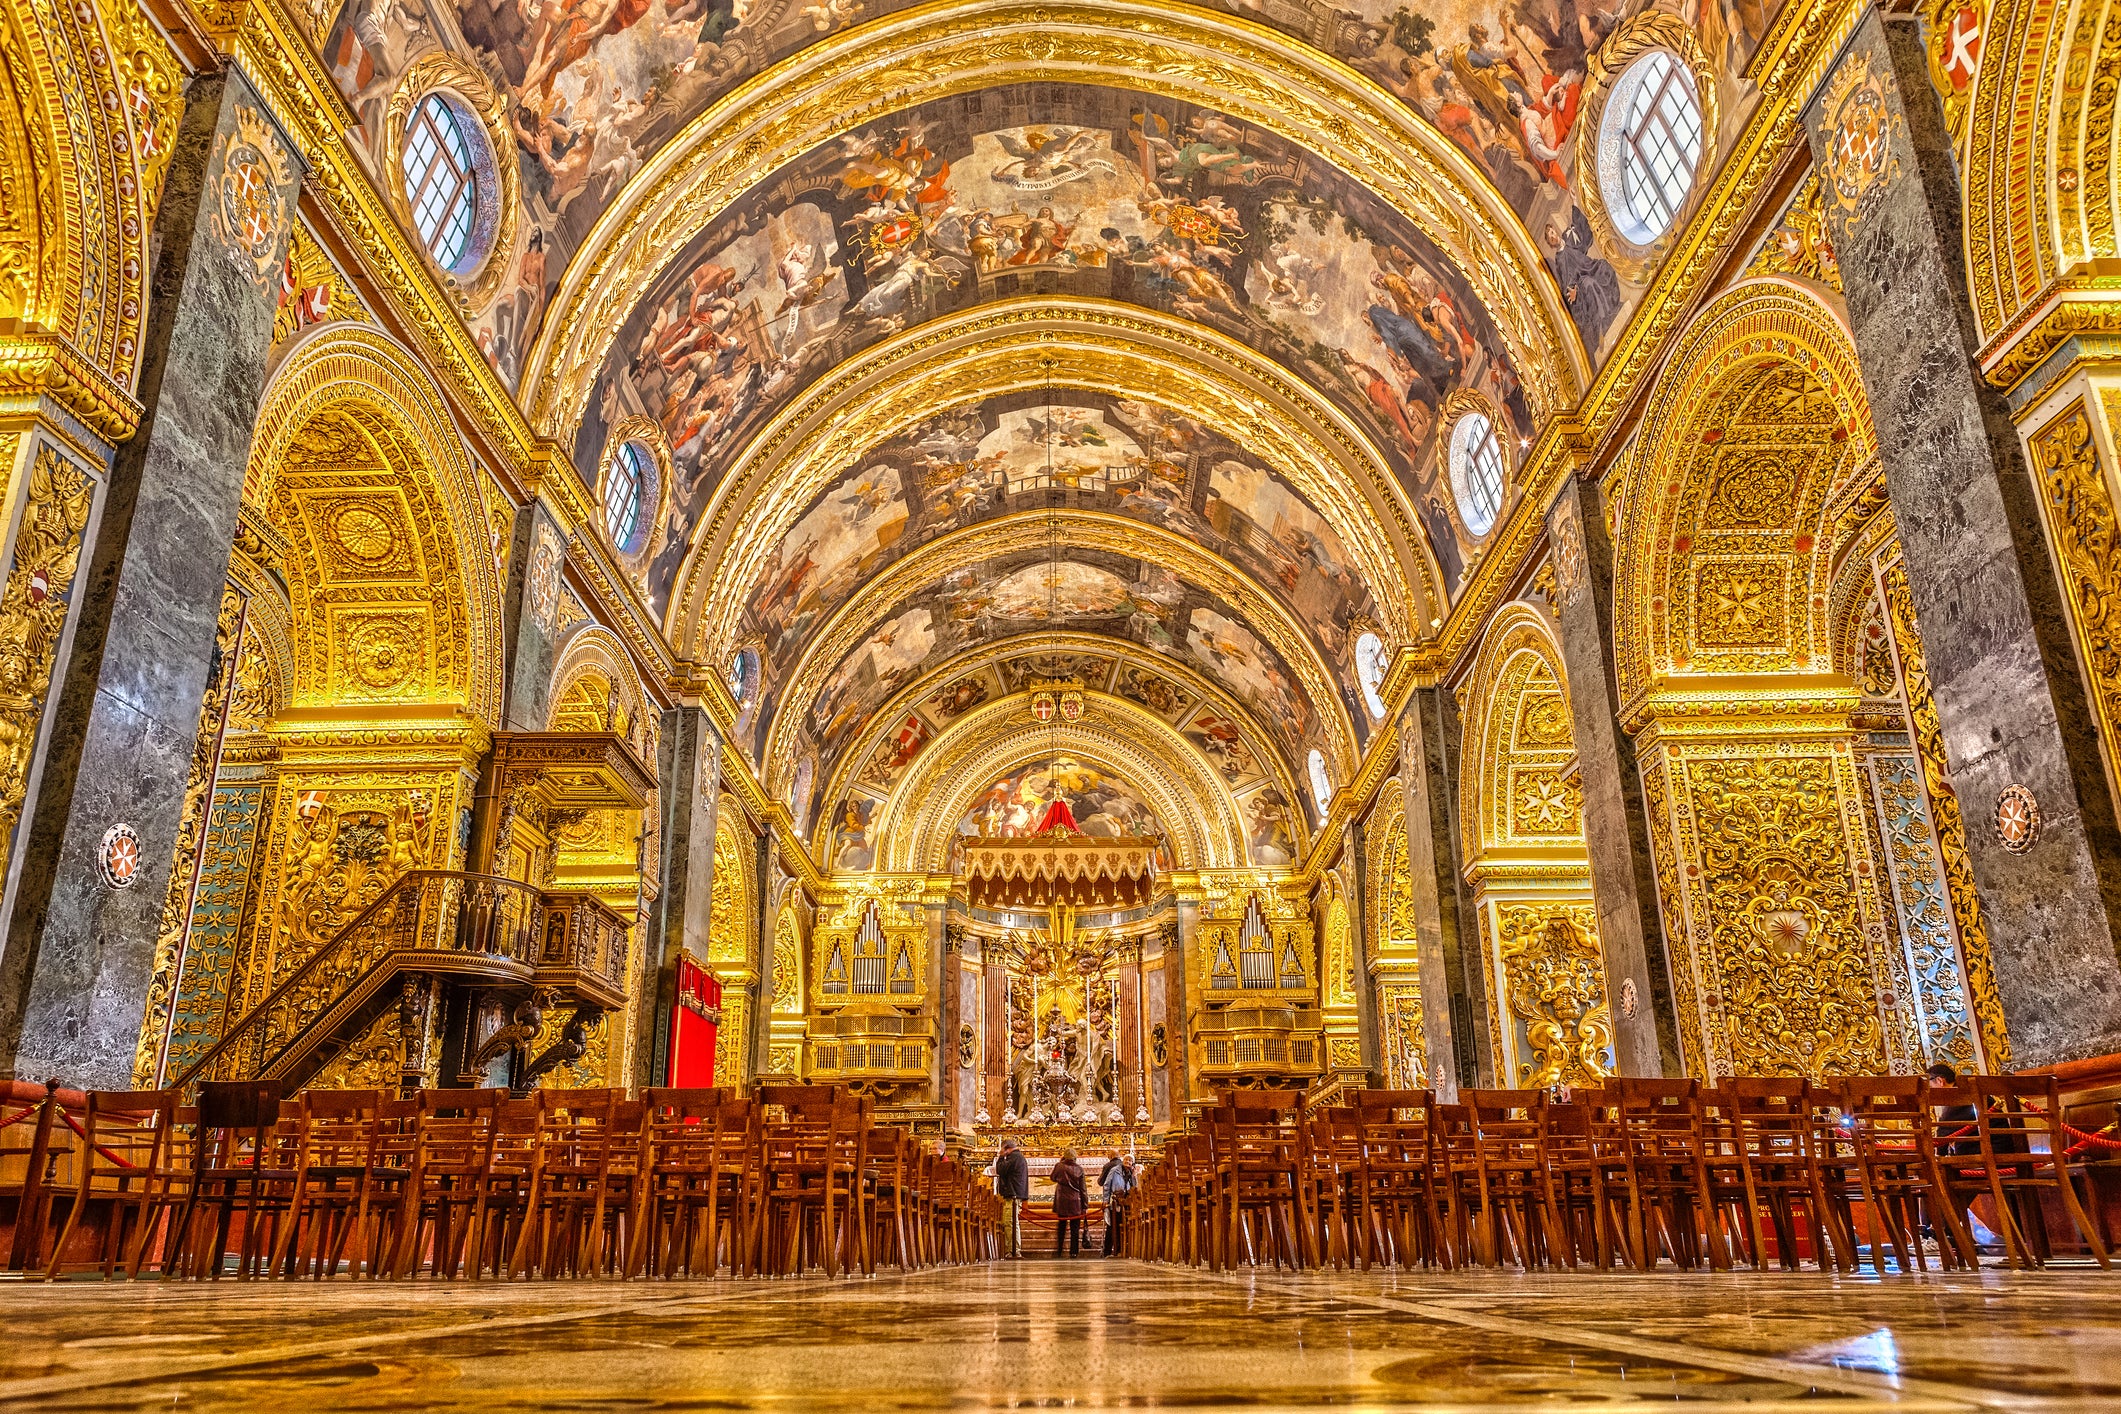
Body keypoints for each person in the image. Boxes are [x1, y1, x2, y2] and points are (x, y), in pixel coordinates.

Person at [994, 1138, 1029, 1259]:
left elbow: (1000, 1170)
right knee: (1011, 1222)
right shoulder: (1017, 1157)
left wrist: (1000, 1157)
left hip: (1013, 1195)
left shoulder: (1014, 1157)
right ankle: (1013, 1249)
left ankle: (1013, 1250)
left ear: (1006, 1148)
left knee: (1010, 1223)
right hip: (1014, 1193)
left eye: (1003, 1149)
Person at [1051, 1147, 1088, 1257]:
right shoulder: (1079, 1169)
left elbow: (1052, 1177)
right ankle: (1074, 1252)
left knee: (1061, 1226)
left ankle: (1059, 1250)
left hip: (1062, 1199)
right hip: (1075, 1200)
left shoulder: (1059, 1166)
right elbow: (1083, 1189)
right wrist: (1085, 1204)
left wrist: (1061, 1162)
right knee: (1075, 1228)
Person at [1099, 1149, 1135, 1257]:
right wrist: (1105, 1200)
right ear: (1122, 1160)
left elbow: (1134, 1187)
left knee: (1122, 1225)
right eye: (1126, 1160)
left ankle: (1120, 1250)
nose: (1127, 1162)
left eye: (1130, 1160)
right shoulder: (1114, 1170)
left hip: (1126, 1203)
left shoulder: (1131, 1173)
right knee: (1112, 1226)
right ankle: (1108, 1251)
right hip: (1114, 1202)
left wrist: (1133, 1175)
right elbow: (1107, 1185)